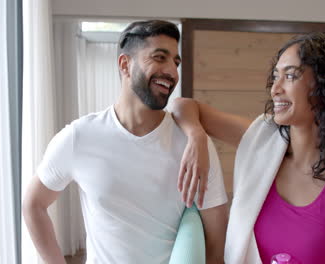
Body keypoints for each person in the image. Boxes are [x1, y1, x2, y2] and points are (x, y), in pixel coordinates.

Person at [22, 20, 229, 264]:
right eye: (160, 57)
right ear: (125, 64)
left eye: (175, 62)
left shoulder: (195, 147)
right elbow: (33, 205)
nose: (172, 72)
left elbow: (216, 244)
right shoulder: (79, 137)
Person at [172, 32, 325, 263]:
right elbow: (182, 106)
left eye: (290, 76)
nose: (275, 88)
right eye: (275, 76)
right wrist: (197, 138)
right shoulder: (261, 142)